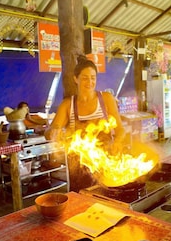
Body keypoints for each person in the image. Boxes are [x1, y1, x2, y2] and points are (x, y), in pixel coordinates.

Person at [45, 56, 125, 192]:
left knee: (109, 201)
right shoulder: (67, 105)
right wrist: (54, 131)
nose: (90, 82)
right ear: (76, 79)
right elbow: (49, 132)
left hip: (105, 162)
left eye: (93, 77)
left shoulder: (106, 99)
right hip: (79, 168)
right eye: (85, 78)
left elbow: (120, 130)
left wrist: (117, 142)